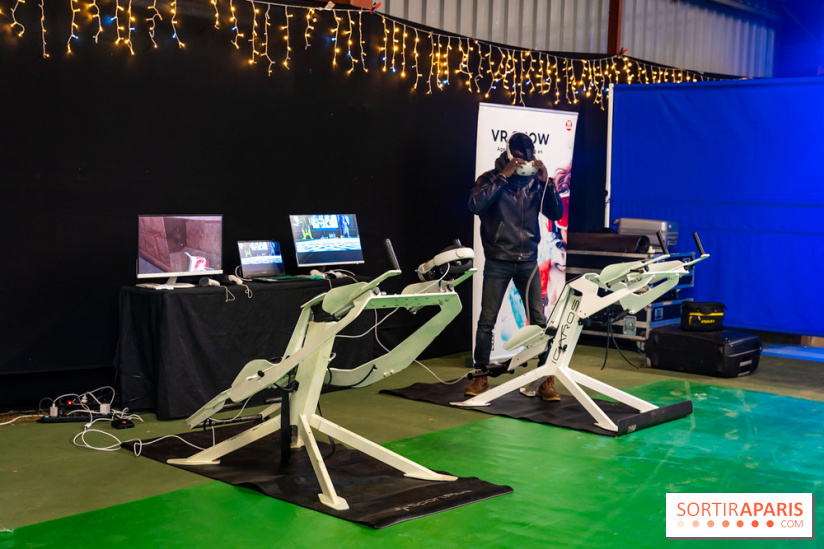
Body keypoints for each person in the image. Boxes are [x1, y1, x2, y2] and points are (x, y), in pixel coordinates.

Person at [466, 132, 564, 400]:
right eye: (519, 161)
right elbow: (475, 205)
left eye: (528, 161)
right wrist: (504, 176)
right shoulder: (489, 178)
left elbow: (555, 213)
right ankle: (480, 377)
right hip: (498, 259)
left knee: (540, 322)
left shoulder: (535, 182)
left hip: (528, 261)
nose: (525, 166)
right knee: (487, 321)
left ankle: (546, 379)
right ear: (509, 157)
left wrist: (548, 185)